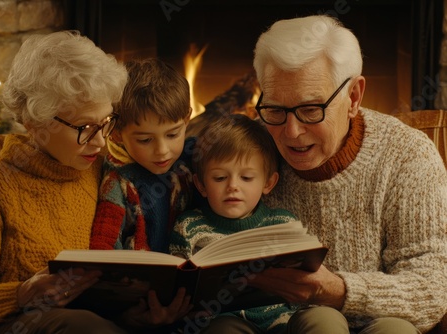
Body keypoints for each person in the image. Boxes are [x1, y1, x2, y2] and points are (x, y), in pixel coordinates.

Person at [0, 31, 180, 334]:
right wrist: (22, 294)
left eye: (107, 122)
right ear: (36, 122)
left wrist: (134, 318)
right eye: (85, 127)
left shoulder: (106, 173)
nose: (99, 141)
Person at [248, 15, 447, 334]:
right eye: (275, 110)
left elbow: (431, 291)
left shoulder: (406, 155)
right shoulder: (247, 149)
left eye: (311, 109)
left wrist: (337, 290)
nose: (292, 132)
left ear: (353, 97)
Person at [170, 114, 299, 333]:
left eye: (246, 178)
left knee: (321, 318)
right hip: (222, 322)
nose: (233, 186)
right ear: (200, 185)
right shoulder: (189, 227)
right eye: (220, 178)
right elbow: (178, 289)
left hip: (282, 323)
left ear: (268, 182)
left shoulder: (284, 224)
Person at [90, 58, 196, 253]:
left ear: (187, 119)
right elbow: (103, 245)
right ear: (116, 133)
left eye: (173, 134)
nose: (162, 150)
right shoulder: (118, 182)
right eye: (146, 140)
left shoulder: (192, 158)